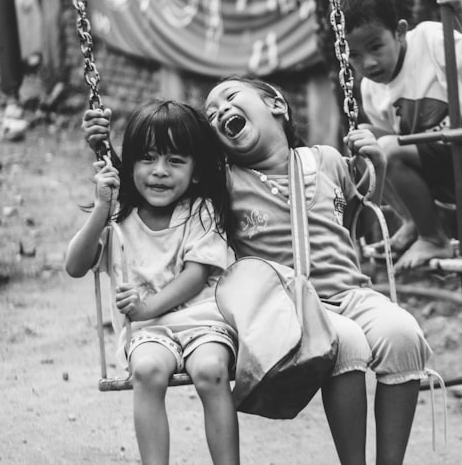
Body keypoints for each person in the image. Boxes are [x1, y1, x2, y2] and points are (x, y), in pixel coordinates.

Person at [85, 79, 433, 465]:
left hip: (352, 294)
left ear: (277, 105)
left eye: (231, 99)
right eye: (212, 116)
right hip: (286, 306)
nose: (220, 114)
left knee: (403, 334)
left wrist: (377, 168)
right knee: (346, 340)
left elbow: (360, 228)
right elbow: (156, 181)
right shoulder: (224, 181)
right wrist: (106, 151)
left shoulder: (329, 160)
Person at [66, 99, 239, 465]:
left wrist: (145, 306)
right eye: (147, 159)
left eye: (175, 161)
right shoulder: (118, 217)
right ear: (129, 166)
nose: (159, 171)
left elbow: (196, 276)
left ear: (194, 171)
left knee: (211, 369)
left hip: (204, 323)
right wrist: (101, 207)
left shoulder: (201, 211)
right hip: (148, 333)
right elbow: (74, 265)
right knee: (146, 369)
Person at [339, 0, 462, 270]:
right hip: (440, 176)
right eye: (354, 55)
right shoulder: (370, 89)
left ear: (400, 32)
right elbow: (391, 162)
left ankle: (434, 238)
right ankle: (413, 221)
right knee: (365, 138)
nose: (368, 63)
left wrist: (459, 10)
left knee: (387, 148)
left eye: (376, 47)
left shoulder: (428, 40)